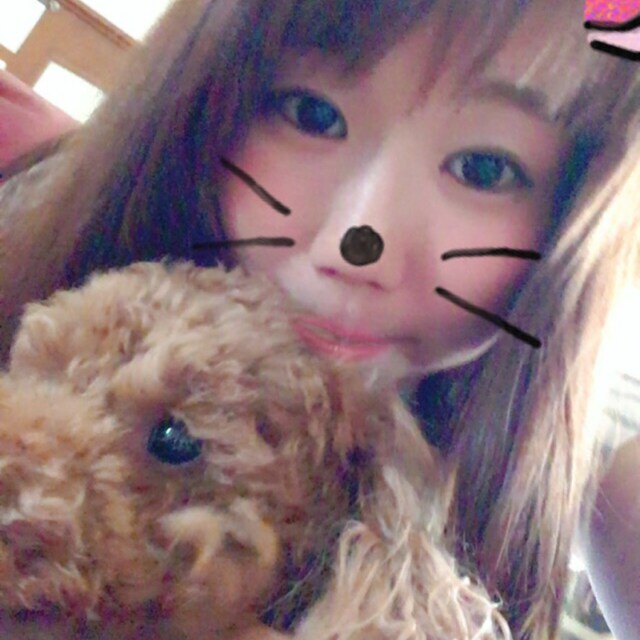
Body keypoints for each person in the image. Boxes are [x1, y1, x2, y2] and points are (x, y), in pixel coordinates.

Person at [0, 0, 639, 638]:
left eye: (484, 169)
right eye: (311, 114)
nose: (358, 246)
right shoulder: (26, 213)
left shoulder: (593, 472)